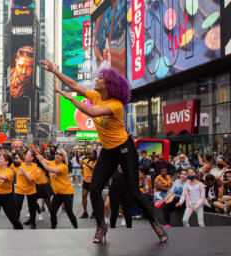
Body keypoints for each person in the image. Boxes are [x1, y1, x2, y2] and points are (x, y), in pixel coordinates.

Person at [40, 59, 167, 243]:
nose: (96, 79)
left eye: (100, 78)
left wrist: (71, 98)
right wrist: (55, 72)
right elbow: (74, 84)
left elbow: (91, 113)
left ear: (108, 84)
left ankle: (155, 224)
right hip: (108, 151)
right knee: (94, 189)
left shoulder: (115, 105)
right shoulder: (96, 96)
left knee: (133, 190)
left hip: (124, 149)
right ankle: (101, 226)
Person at [34, 148, 78, 229]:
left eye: (60, 154)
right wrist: (34, 150)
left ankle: (76, 228)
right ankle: (53, 228)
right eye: (57, 153)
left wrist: (42, 161)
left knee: (69, 212)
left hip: (67, 192)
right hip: (57, 193)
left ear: (63, 157)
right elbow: (42, 158)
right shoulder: (52, 162)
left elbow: (49, 169)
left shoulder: (63, 167)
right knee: (52, 211)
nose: (58, 155)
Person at [14, 150, 39, 229]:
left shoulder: (35, 166)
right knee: (18, 207)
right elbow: (8, 164)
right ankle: (16, 223)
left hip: (31, 189)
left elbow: (31, 180)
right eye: (26, 154)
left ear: (32, 158)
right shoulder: (19, 164)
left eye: (28, 155)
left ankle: (33, 222)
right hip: (19, 189)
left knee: (32, 207)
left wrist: (23, 170)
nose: (26, 156)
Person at [78, 150, 97, 218]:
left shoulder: (97, 161)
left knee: (92, 197)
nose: (90, 155)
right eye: (90, 154)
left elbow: (93, 168)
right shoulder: (85, 160)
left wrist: (85, 164)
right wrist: (77, 155)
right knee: (84, 196)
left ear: (95, 155)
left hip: (93, 182)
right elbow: (78, 161)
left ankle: (94, 212)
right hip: (86, 182)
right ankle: (85, 212)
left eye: (92, 154)